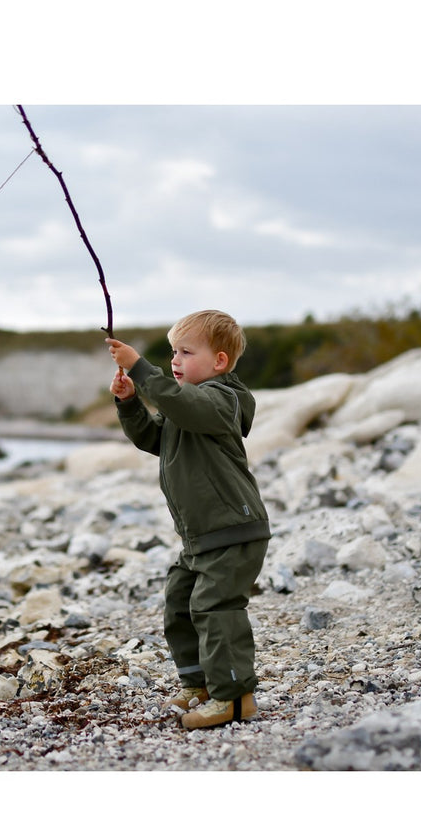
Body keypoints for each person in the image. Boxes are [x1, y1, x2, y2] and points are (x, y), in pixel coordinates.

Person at [106, 310, 270, 730]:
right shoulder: (186, 406)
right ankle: (199, 684)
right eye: (172, 352)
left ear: (219, 361)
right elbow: (154, 438)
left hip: (232, 531)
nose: (175, 360)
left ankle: (234, 697)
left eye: (186, 352)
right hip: (199, 537)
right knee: (180, 604)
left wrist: (141, 368)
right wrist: (129, 403)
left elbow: (181, 403)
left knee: (216, 609)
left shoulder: (221, 402)